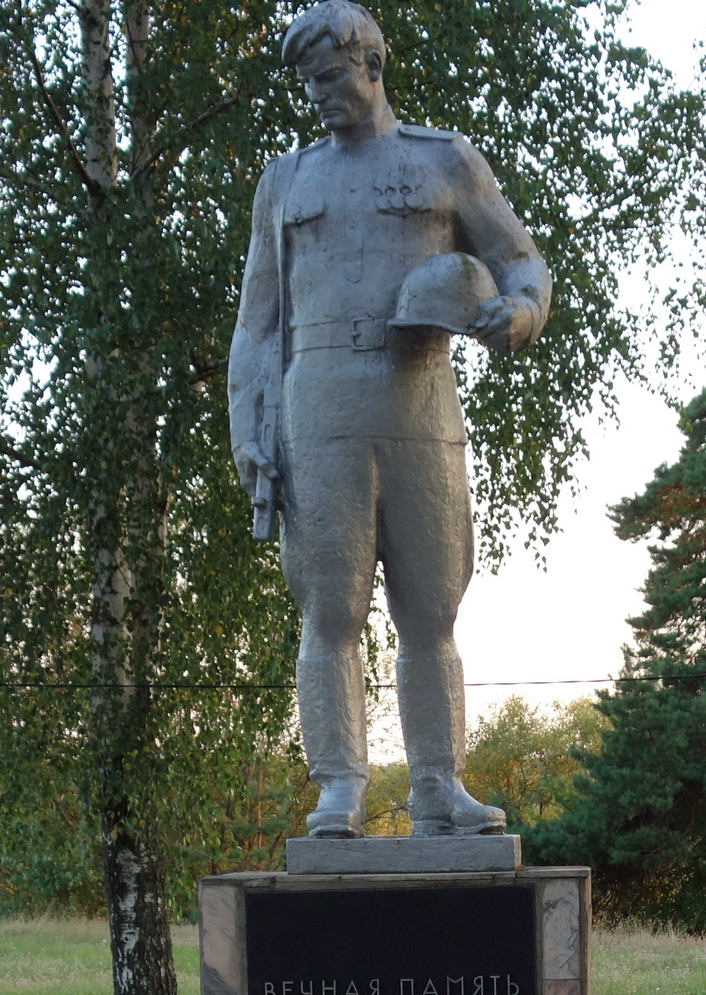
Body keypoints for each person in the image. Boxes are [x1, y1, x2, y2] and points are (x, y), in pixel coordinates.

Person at [228, 1, 551, 837]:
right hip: (318, 409)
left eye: (332, 78)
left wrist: (518, 313)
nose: (321, 97)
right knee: (329, 610)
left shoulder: (445, 161)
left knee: (432, 606)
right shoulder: (285, 181)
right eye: (309, 84)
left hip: (419, 401)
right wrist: (249, 433)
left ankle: (437, 784)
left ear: (371, 65)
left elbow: (520, 261)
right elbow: (259, 326)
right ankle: (338, 784)